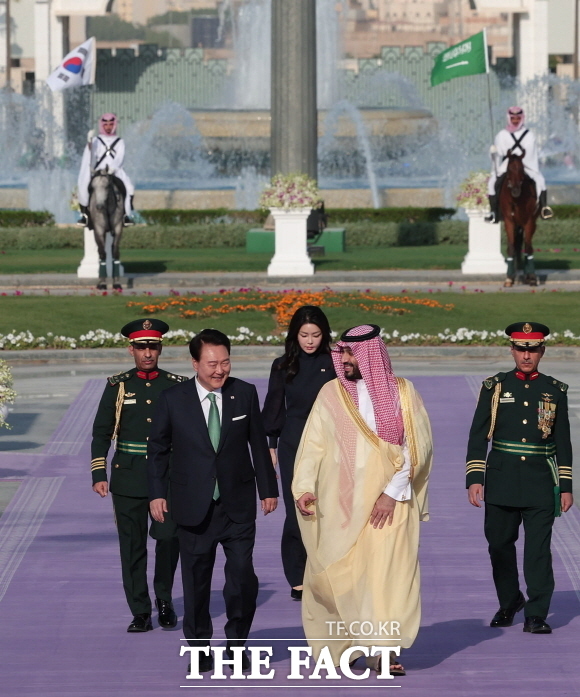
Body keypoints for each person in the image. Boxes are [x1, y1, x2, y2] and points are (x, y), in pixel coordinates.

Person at [292, 324, 432, 675]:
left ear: (370, 354)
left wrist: (390, 494)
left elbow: (416, 450)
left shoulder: (403, 393)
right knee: (340, 576)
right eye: (343, 352)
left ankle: (385, 651)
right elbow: (313, 446)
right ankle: (348, 646)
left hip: (391, 506)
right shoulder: (331, 393)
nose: (345, 359)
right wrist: (304, 487)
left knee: (388, 577)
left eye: (352, 353)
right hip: (342, 504)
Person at [148, 328, 279, 674]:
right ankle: (199, 645)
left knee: (241, 578)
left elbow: (257, 443)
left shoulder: (244, 394)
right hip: (192, 506)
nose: (220, 370)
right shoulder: (172, 399)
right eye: (211, 364)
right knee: (196, 580)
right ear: (195, 363)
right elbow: (158, 450)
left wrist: (269, 489)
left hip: (237, 505)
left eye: (225, 362)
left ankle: (237, 643)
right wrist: (157, 494)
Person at [466, 322, 573, 634]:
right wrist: (475, 477)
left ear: (542, 351)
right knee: (499, 544)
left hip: (541, 481)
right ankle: (510, 599)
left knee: (538, 550)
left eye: (533, 349)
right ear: (512, 350)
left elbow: (563, 443)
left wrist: (565, 486)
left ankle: (536, 613)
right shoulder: (495, 388)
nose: (527, 355)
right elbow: (477, 436)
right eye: (521, 349)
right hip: (501, 479)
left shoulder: (555, 390)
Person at [91, 318, 186, 632]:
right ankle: (141, 611)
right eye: (142, 347)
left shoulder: (176, 385)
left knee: (169, 538)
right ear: (131, 349)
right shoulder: (118, 385)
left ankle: (164, 600)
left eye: (153, 346)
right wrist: (99, 473)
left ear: (160, 348)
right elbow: (101, 433)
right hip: (128, 476)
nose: (148, 353)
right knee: (131, 546)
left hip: (167, 475)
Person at [262, 305, 336, 601]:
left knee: (329, 509)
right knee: (298, 512)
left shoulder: (335, 363)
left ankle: (327, 572)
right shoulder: (283, 365)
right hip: (294, 442)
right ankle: (298, 576)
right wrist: (270, 444)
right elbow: (274, 405)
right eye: (304, 334)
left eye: (316, 334)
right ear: (294, 334)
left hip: (331, 444)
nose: (309, 340)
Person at [485, 106, 553, 223]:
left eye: (517, 118)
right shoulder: (502, 134)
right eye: (513, 118)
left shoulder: (529, 135)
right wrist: (494, 152)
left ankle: (543, 208)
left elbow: (530, 152)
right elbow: (500, 152)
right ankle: (494, 212)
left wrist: (518, 158)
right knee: (491, 183)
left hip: (525, 164)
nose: (515, 121)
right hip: (508, 164)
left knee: (541, 181)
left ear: (522, 118)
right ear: (509, 119)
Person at [77, 113, 135, 227]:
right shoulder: (96, 140)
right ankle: (85, 215)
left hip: (115, 171)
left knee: (129, 188)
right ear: (102, 125)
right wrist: (89, 143)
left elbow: (120, 157)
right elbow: (91, 156)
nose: (108, 127)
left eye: (111, 124)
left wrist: (113, 168)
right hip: (99, 170)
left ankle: (126, 215)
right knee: (84, 185)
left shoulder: (120, 142)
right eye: (106, 124)